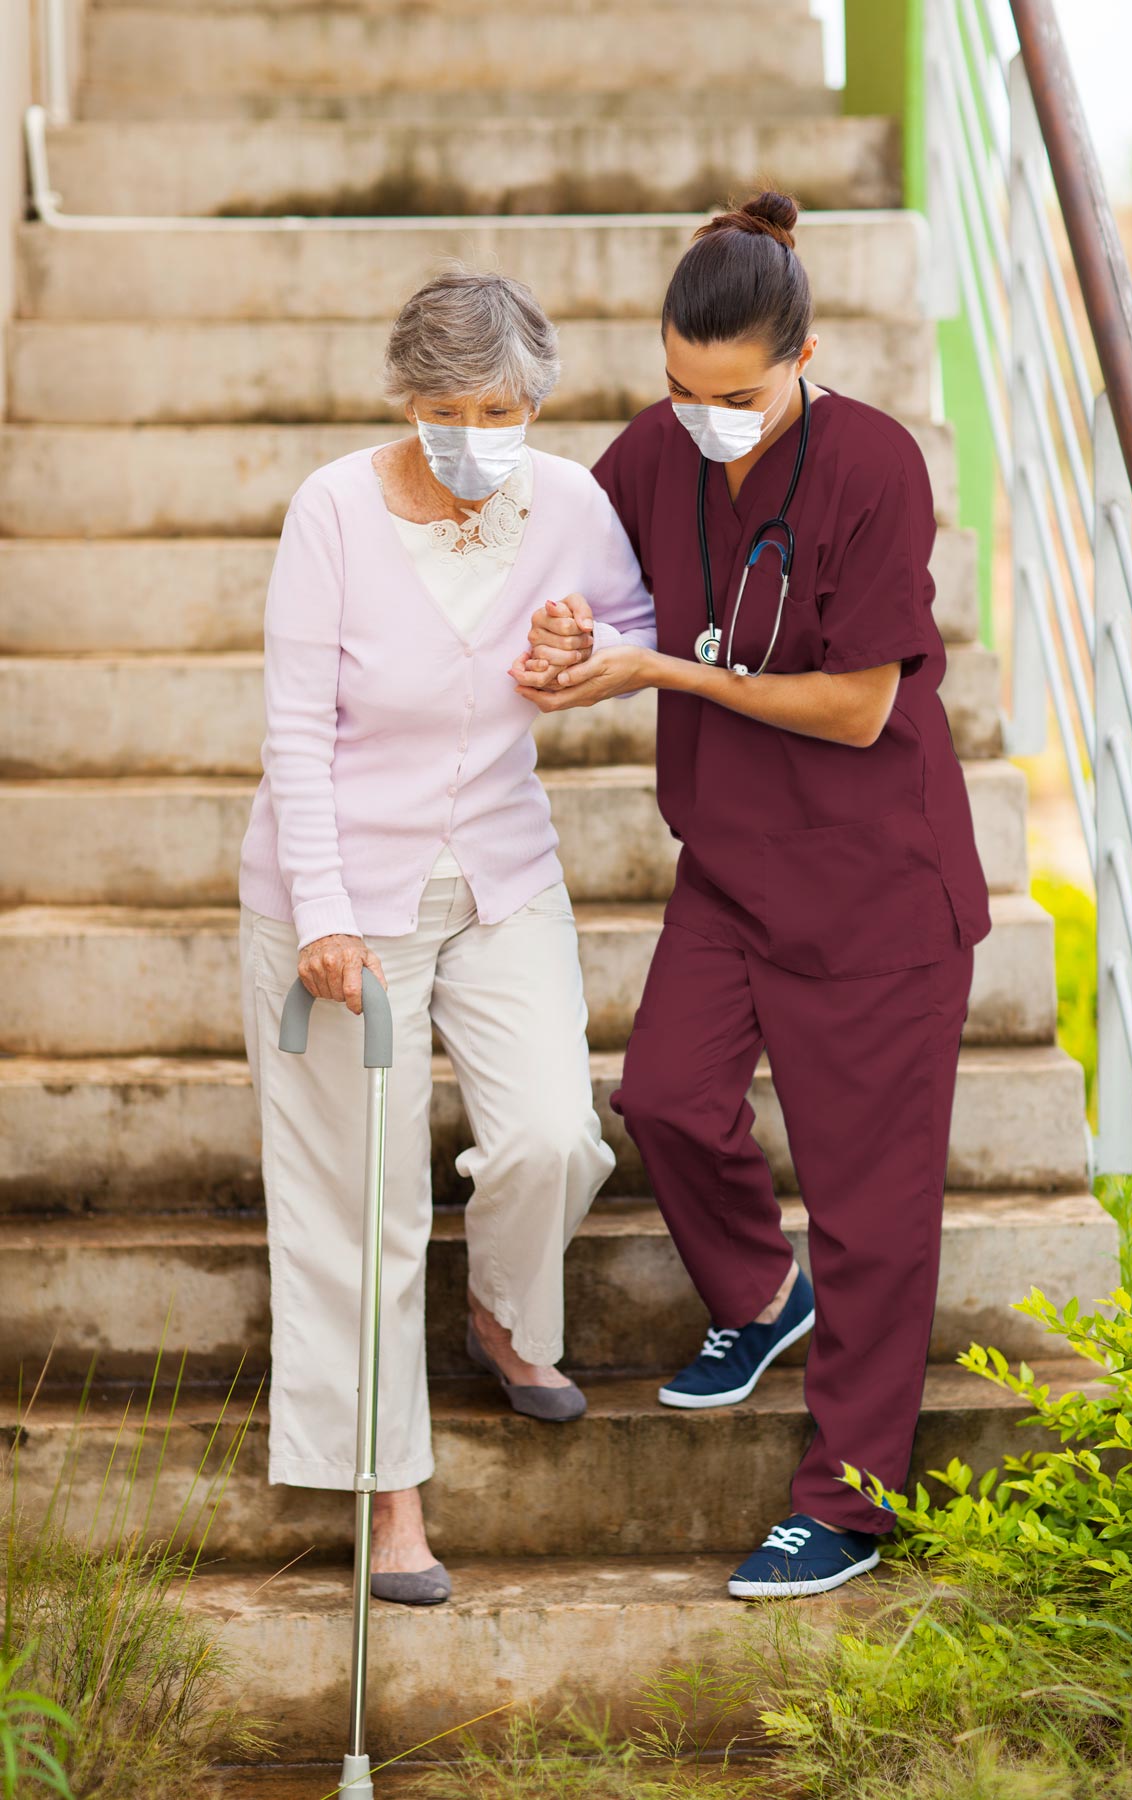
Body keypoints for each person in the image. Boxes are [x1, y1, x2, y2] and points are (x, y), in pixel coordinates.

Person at [511, 192, 992, 1600]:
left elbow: (855, 709)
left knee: (871, 1213)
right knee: (663, 1095)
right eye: (677, 385)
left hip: (876, 889)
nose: (698, 416)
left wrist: (655, 674)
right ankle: (759, 1297)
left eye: (733, 394)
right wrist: (566, 632)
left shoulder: (876, 464)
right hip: (730, 863)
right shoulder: (661, 448)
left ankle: (845, 1501)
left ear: (805, 355)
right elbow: (589, 572)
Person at [238, 270, 656, 1606]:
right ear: (405, 400)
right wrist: (323, 914)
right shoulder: (335, 515)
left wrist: (580, 647)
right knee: (360, 1205)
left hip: (499, 872)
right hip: (339, 895)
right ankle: (391, 1502)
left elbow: (632, 629)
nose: (479, 428)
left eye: (505, 405)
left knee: (551, 1134)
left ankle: (500, 1316)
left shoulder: (569, 500)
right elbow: (297, 732)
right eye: (450, 406)